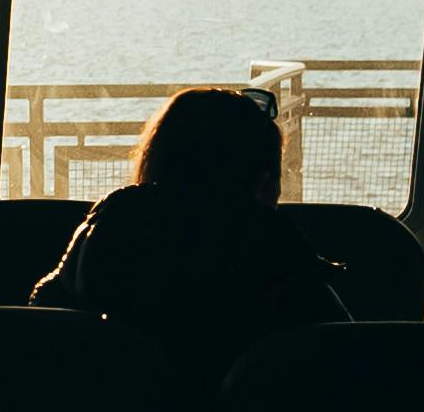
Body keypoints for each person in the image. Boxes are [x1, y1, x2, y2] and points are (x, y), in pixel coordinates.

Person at [29, 86, 347, 380]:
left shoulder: (111, 222)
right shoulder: (273, 243)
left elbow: (43, 312)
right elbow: (343, 350)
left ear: (155, 163)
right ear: (264, 183)